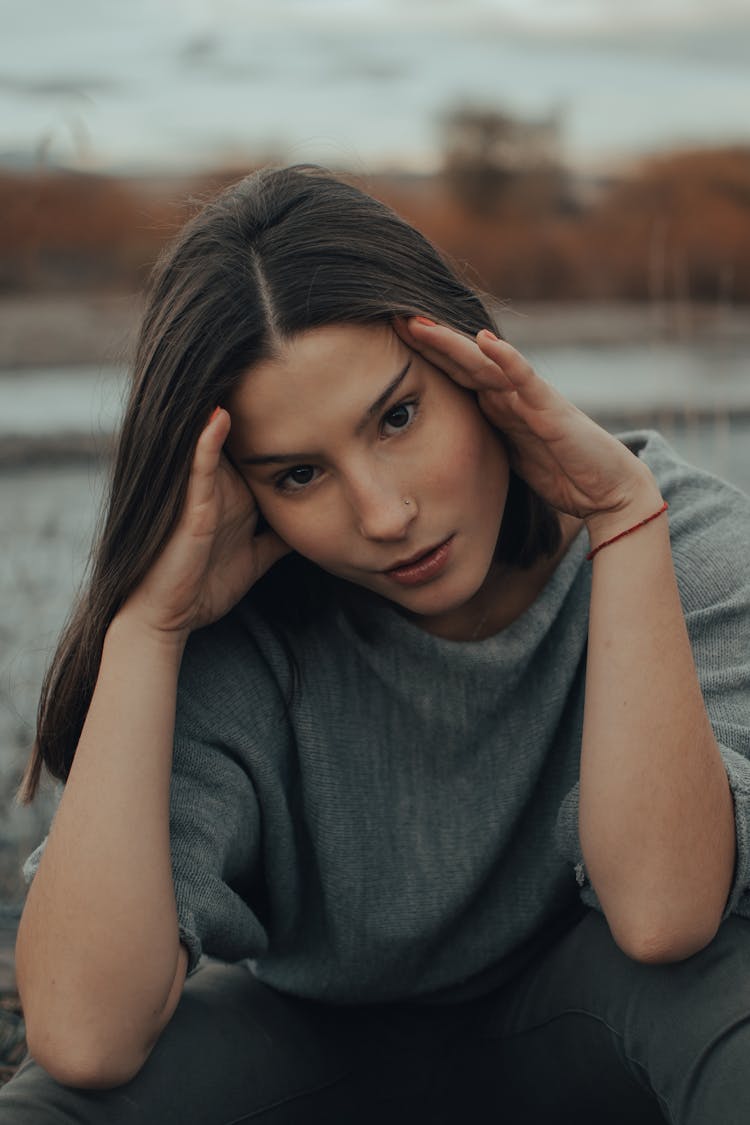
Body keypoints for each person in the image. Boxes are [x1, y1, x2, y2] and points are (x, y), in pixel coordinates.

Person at [1, 164, 749, 1125]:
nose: (384, 514)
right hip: (312, 1050)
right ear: (243, 490)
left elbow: (662, 915)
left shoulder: (677, 537)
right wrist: (149, 630)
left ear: (475, 368)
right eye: (300, 473)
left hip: (596, 1030)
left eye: (398, 417)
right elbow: (82, 1033)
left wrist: (624, 522)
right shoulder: (236, 632)